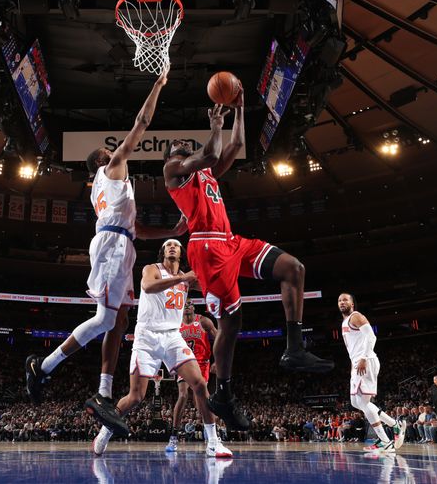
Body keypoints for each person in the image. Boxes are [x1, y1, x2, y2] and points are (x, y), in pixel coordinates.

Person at [162, 91, 333, 431]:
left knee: (293, 268)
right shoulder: (174, 170)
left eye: (184, 141)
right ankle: (224, 394)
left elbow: (235, 146)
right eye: (176, 143)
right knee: (232, 323)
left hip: (231, 241)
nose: (181, 142)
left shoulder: (206, 173)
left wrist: (239, 110)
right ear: (171, 156)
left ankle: (294, 347)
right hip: (206, 249)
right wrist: (214, 127)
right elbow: (210, 151)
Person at [26, 67, 185, 424]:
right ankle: (45, 366)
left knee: (119, 320)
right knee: (106, 318)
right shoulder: (112, 169)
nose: (115, 151)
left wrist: (172, 230)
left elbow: (138, 229)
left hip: (121, 242)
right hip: (113, 246)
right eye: (108, 151)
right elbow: (141, 124)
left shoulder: (113, 189)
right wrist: (158, 85)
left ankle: (101, 391)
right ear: (103, 160)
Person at [90, 239, 232, 458]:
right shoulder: (152, 269)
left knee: (200, 384)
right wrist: (184, 278)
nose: (172, 247)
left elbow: (211, 286)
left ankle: (213, 442)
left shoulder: (186, 278)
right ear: (163, 252)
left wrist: (212, 271)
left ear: (182, 252)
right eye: (168, 245)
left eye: (176, 245)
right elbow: (148, 286)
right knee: (136, 396)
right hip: (147, 337)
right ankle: (106, 430)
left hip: (173, 336)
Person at [337, 292, 405, 453]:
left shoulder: (356, 316)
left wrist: (363, 358)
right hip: (358, 363)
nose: (341, 302)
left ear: (352, 304)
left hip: (366, 361)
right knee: (356, 403)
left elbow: (371, 337)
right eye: (339, 300)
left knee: (364, 403)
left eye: (345, 300)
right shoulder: (345, 321)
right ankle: (394, 425)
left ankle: (386, 439)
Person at [167, 299, 217, 452]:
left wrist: (217, 360)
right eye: (185, 304)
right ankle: (173, 437)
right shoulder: (175, 324)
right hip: (185, 361)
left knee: (199, 400)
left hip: (202, 363)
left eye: (190, 304)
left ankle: (211, 436)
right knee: (182, 396)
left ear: (194, 307)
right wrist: (171, 363)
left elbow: (219, 337)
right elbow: (167, 344)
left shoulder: (203, 321)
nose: (187, 306)